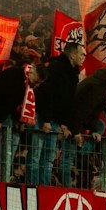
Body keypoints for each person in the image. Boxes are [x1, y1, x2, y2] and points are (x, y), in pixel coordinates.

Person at [30, 42, 84, 185]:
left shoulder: (74, 74)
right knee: (36, 156)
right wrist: (47, 119)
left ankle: (45, 188)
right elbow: (46, 94)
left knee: (48, 158)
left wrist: (63, 123)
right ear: (72, 55)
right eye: (81, 54)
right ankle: (32, 188)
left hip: (54, 121)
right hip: (42, 117)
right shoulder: (56, 68)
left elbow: (68, 102)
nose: (84, 57)